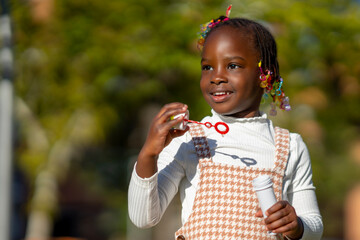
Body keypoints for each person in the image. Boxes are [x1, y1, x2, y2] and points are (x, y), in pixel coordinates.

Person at [128, 6, 323, 240]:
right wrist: (149, 154)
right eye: (207, 67)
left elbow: (314, 226)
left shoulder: (290, 146)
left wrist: (297, 227)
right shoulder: (189, 139)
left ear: (266, 76)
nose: (216, 76)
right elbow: (143, 218)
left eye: (233, 66)